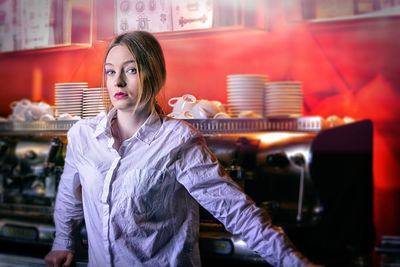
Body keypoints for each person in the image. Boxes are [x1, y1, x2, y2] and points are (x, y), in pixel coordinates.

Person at [44, 30, 319, 267]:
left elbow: (235, 210)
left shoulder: (178, 140)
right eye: (110, 71)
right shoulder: (83, 135)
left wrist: (293, 262)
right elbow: (70, 195)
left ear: (154, 76)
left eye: (131, 70)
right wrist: (63, 241)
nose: (118, 82)